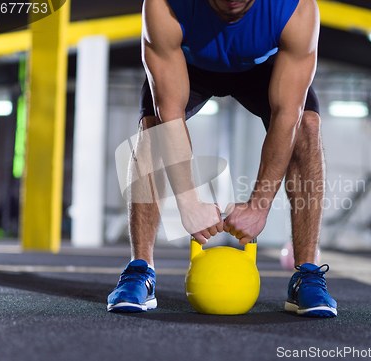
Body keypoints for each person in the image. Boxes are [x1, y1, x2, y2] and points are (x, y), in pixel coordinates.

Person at [107, 0, 337, 317]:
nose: (232, 2)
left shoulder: (296, 8)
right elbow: (169, 113)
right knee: (152, 131)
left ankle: (308, 274)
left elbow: (288, 115)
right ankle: (140, 269)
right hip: (188, 63)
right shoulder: (165, 5)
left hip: (263, 66)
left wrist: (260, 204)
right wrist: (188, 203)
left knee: (308, 128)